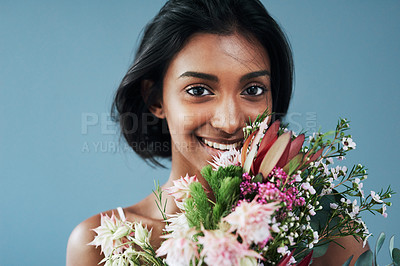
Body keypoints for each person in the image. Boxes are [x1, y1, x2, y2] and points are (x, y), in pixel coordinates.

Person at [66, 0, 368, 265]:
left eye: (252, 90)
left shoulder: (329, 236)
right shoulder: (103, 245)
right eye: (198, 90)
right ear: (156, 99)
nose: (230, 122)